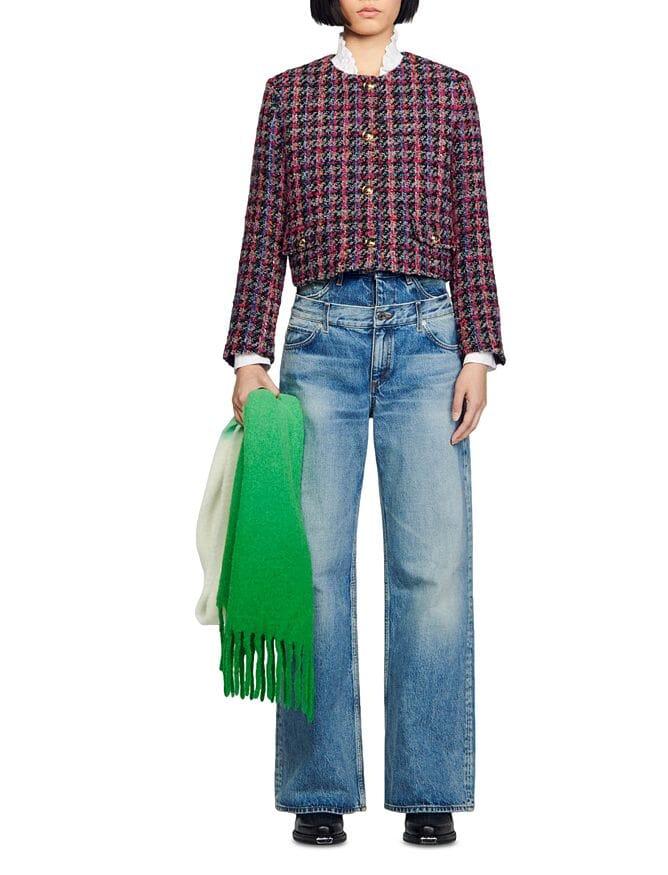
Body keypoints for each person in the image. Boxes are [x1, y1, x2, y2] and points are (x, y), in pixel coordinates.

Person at [222, 0, 505, 846]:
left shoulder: (450, 92)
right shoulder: (287, 94)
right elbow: (264, 224)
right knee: (311, 568)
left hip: (429, 341)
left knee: (433, 567)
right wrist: (249, 354)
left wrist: (478, 351)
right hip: (320, 338)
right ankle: (319, 784)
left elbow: (472, 226)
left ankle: (429, 785)